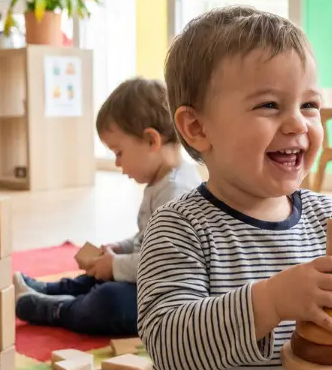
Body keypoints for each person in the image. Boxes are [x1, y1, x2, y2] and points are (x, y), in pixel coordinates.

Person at [137, 6, 332, 370]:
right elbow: (168, 343)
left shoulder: (326, 221)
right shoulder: (179, 227)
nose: (298, 123)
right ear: (197, 128)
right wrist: (272, 301)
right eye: (269, 105)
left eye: (309, 104)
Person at [14, 77, 200, 337]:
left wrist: (116, 266)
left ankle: (58, 309)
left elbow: (163, 263)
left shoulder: (177, 193)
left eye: (119, 152)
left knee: (110, 300)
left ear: (151, 141)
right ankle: (53, 290)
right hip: (145, 278)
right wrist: (120, 249)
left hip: (167, 296)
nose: (117, 163)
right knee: (100, 274)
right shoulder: (162, 182)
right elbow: (148, 239)